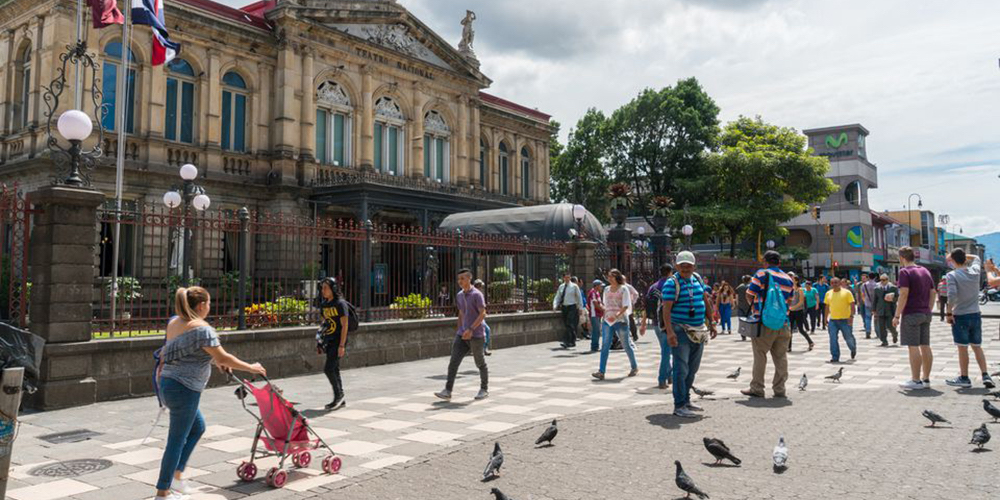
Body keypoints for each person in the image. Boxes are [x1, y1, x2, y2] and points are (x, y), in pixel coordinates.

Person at [154, 287, 266, 500]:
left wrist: (215, 361)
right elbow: (223, 357)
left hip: (168, 384)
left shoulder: (174, 322)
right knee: (176, 440)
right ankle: (163, 492)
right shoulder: (202, 330)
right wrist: (252, 367)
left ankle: (176, 477)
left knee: (198, 427)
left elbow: (192, 351)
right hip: (185, 388)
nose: (210, 307)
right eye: (208, 303)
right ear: (201, 305)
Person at [661, 251, 717, 417]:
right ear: (677, 266)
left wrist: (712, 322)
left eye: (689, 265)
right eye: (682, 265)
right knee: (681, 368)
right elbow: (666, 309)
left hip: (698, 330)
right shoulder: (672, 283)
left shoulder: (697, 279)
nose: (685, 268)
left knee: (692, 368)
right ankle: (679, 405)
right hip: (680, 330)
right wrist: (670, 332)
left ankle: (686, 400)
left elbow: (705, 300)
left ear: (694, 266)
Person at [741, 250, 794, 398]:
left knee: (760, 355)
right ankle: (780, 389)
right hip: (783, 323)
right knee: (781, 357)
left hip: (764, 323)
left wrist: (756, 309)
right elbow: (789, 300)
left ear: (765, 261)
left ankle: (757, 388)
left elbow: (749, 294)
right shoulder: (788, 278)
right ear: (779, 262)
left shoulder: (762, 274)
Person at [944, 249, 995, 389]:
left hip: (960, 315)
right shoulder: (975, 270)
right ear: (964, 259)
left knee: (962, 348)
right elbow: (977, 257)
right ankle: (985, 375)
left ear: (953, 261)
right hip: (976, 314)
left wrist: (949, 312)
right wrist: (962, 255)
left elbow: (952, 295)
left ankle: (964, 377)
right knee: (977, 346)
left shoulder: (952, 275)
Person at [435, 269, 489, 401]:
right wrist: (460, 330)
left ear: (469, 279)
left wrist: (471, 329)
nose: (460, 281)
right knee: (453, 362)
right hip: (462, 335)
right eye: (458, 279)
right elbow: (461, 313)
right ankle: (448, 391)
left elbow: (483, 313)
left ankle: (484, 389)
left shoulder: (477, 295)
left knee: (480, 362)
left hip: (476, 335)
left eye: (462, 279)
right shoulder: (459, 295)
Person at [893, 246, 937, 391]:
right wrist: (928, 309)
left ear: (902, 258)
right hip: (925, 313)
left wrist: (897, 315)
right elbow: (933, 292)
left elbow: (904, 293)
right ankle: (926, 379)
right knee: (925, 346)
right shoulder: (925, 271)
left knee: (913, 347)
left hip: (911, 313)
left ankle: (915, 380)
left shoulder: (904, 272)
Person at [592, 269, 639, 381]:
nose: (609, 278)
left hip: (621, 321)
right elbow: (605, 304)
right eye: (609, 276)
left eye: (612, 276)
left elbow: (626, 305)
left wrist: (616, 315)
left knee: (626, 344)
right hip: (608, 320)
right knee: (605, 345)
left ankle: (634, 367)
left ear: (617, 277)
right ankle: (601, 371)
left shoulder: (624, 289)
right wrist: (604, 312)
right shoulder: (607, 289)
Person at [316, 278, 351, 410]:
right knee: (334, 368)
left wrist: (342, 345)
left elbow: (345, 326)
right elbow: (324, 324)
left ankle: (339, 396)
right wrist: (319, 341)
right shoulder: (324, 304)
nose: (323, 290)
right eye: (322, 288)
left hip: (338, 340)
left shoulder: (340, 304)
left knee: (328, 369)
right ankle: (340, 398)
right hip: (329, 339)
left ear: (334, 289)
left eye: (326, 288)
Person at [641, 264, 675, 389]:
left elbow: (646, 305)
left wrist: (644, 323)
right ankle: (662, 379)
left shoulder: (653, 287)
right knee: (669, 352)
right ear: (670, 272)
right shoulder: (672, 285)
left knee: (665, 351)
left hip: (656, 323)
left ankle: (669, 375)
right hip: (668, 324)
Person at [824, 277, 857, 363]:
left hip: (845, 320)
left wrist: (851, 316)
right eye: (832, 283)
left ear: (840, 283)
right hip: (833, 320)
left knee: (848, 338)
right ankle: (835, 357)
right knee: (833, 338)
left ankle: (853, 348)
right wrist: (824, 319)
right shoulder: (828, 293)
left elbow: (852, 304)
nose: (834, 284)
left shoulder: (847, 292)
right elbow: (827, 307)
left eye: (836, 282)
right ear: (830, 284)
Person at [553, 272, 582, 349]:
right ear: (563, 278)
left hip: (572, 306)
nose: (567, 279)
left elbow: (579, 297)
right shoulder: (561, 287)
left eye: (568, 277)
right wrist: (555, 305)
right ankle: (572, 340)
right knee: (567, 324)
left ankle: (567, 341)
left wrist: (580, 308)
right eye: (566, 277)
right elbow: (558, 296)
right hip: (564, 307)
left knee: (569, 322)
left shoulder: (574, 286)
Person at [787, 275, 814, 352]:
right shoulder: (790, 289)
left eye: (792, 279)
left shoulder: (800, 290)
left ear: (796, 281)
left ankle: (810, 342)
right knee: (789, 330)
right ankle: (789, 347)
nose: (790, 280)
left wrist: (793, 307)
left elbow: (801, 302)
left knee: (801, 329)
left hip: (799, 312)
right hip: (791, 312)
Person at [873, 274, 899, 346]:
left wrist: (892, 299)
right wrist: (874, 310)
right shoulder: (877, 288)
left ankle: (894, 334)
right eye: (881, 280)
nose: (882, 282)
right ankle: (884, 341)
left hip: (890, 310)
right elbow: (875, 300)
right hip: (880, 310)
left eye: (884, 280)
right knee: (881, 327)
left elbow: (897, 298)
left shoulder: (893, 288)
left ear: (887, 280)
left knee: (890, 326)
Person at [473, 279, 491, 356]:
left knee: (487, 330)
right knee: (484, 331)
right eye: (480, 286)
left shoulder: (480, 294)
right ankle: (481, 349)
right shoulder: (473, 295)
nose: (481, 288)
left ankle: (484, 348)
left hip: (480, 317)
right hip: (475, 317)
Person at [587, 280, 605, 352]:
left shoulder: (597, 293)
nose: (601, 288)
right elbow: (595, 304)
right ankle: (594, 346)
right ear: (597, 286)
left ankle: (596, 345)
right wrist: (603, 309)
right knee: (596, 330)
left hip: (598, 314)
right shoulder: (593, 292)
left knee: (597, 330)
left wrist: (603, 308)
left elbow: (599, 303)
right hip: (594, 314)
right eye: (600, 286)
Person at [735, 275, 752, 341]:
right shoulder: (751, 287)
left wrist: (737, 305)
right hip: (749, 306)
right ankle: (750, 334)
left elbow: (737, 297)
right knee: (750, 321)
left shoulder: (739, 287)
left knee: (742, 321)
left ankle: (743, 335)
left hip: (741, 306)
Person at [859, 273, 876, 339]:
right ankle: (878, 332)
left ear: (868, 277)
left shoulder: (864, 285)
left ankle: (868, 331)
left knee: (867, 318)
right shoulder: (877, 285)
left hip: (867, 304)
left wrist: (865, 301)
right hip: (875, 304)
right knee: (876, 318)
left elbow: (862, 295)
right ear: (875, 278)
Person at [573, 276, 590, 341]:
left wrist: (586, 305)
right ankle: (585, 332)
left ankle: (586, 331)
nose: (582, 283)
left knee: (587, 320)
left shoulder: (581, 290)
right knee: (582, 320)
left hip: (583, 306)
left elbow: (583, 298)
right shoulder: (575, 290)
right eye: (581, 282)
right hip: (580, 307)